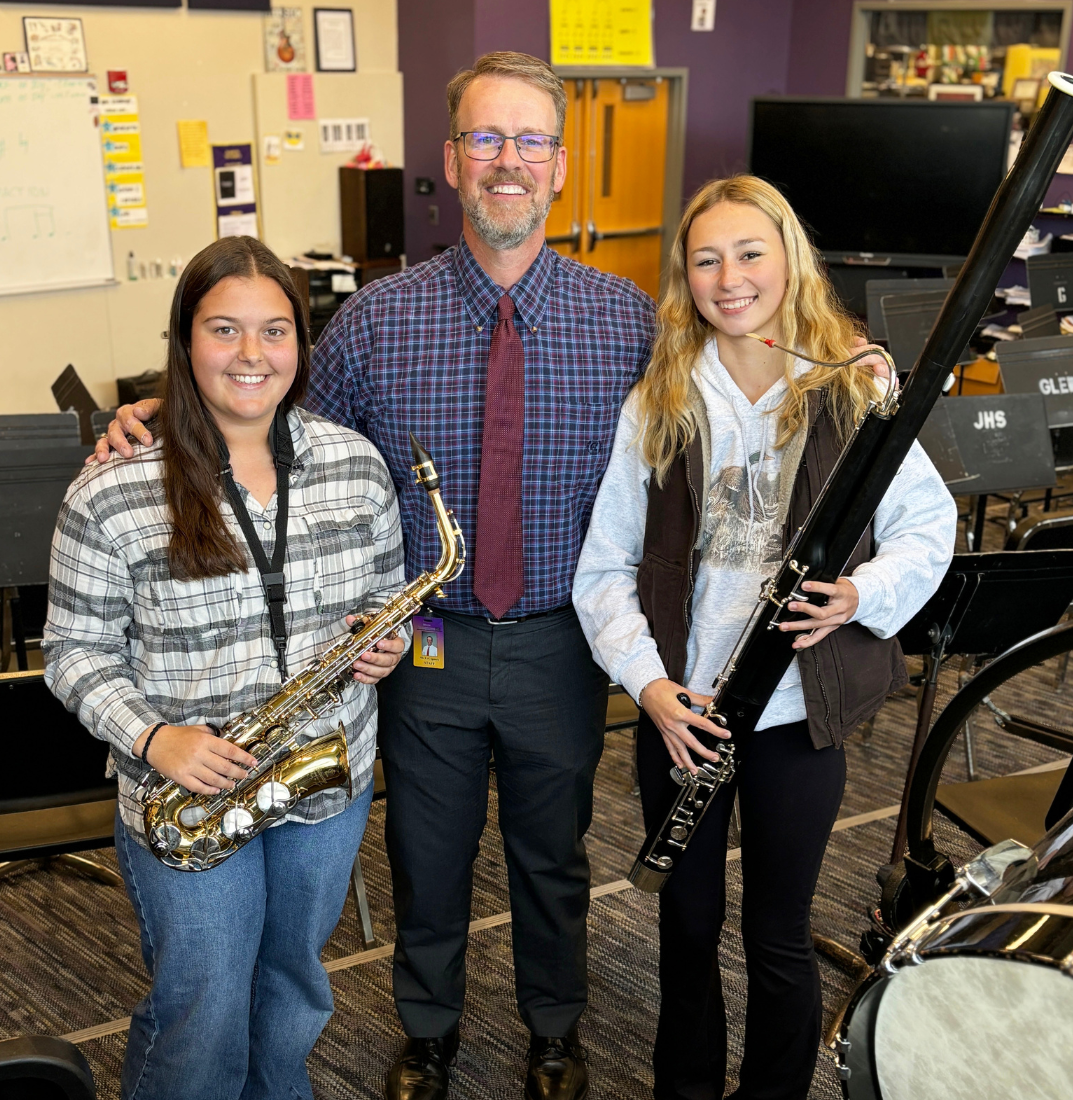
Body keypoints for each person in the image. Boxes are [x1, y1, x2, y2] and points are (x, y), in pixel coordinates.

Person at [94, 52, 654, 1100]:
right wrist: (150, 415)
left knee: (553, 855)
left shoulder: (626, 319)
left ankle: (554, 1028)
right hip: (416, 640)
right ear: (450, 159)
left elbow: (714, 414)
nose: (507, 162)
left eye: (530, 140)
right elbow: (266, 420)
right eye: (486, 138)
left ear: (560, 166)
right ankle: (429, 1028)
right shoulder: (377, 321)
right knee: (424, 852)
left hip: (559, 640)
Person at [572, 175, 957, 1100]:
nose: (730, 277)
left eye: (751, 253)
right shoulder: (660, 402)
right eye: (706, 260)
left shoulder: (851, 389)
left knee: (778, 930)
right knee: (687, 926)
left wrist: (858, 594)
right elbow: (602, 570)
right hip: (686, 717)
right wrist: (652, 690)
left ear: (789, 261)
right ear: (685, 277)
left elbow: (930, 525)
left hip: (793, 714)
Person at [44, 236, 407, 1100]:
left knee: (292, 983)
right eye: (224, 330)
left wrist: (400, 646)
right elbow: (71, 651)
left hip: (323, 779)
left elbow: (407, 606)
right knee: (202, 1004)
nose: (252, 355)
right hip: (188, 789)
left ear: (301, 344)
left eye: (275, 331)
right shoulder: (114, 487)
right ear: (185, 340)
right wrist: (157, 738)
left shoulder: (355, 464)